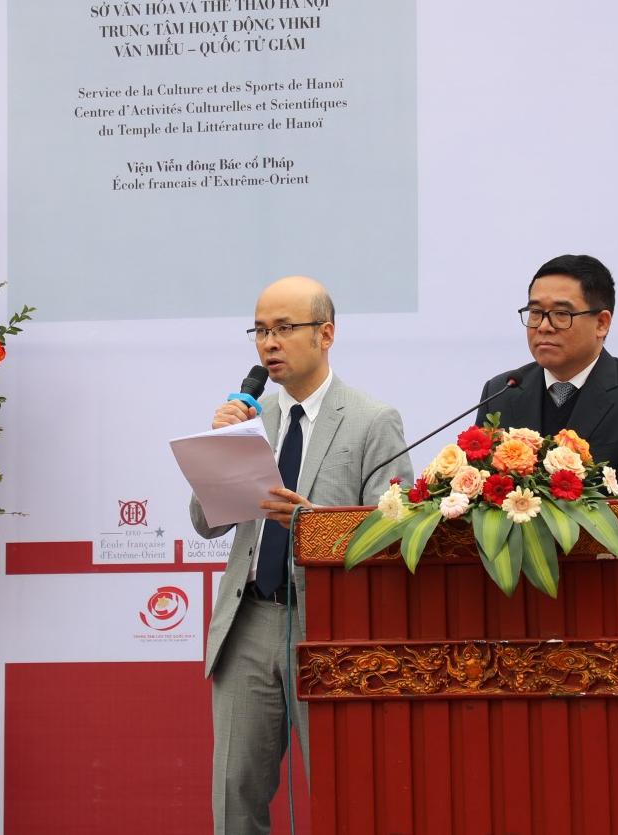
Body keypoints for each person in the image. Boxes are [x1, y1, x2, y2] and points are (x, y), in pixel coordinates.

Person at [189, 275, 412, 835]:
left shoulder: (371, 420)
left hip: (331, 629)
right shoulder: (251, 419)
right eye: (260, 331)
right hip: (249, 625)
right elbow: (206, 523)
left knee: (343, 789)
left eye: (285, 329)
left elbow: (395, 536)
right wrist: (218, 447)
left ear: (326, 334)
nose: (269, 344)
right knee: (235, 791)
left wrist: (314, 526)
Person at [479, 254, 618, 516]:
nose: (543, 326)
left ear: (601, 323)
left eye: (561, 314)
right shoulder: (503, 391)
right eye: (535, 313)